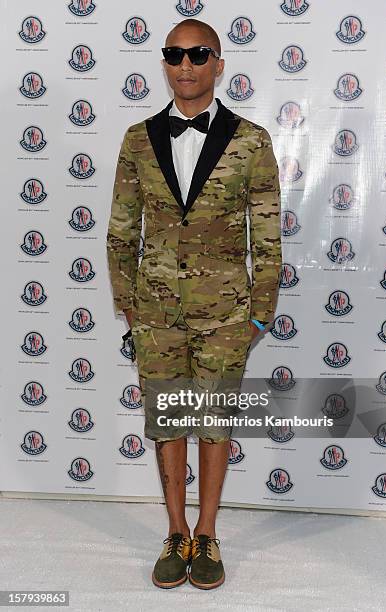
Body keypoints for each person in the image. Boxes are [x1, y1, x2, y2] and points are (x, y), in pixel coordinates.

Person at [106, 18, 281, 590]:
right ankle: (175, 531)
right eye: (175, 55)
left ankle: (207, 534)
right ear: (165, 64)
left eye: (198, 54)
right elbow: (120, 231)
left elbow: (269, 236)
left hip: (227, 314)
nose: (186, 65)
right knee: (169, 423)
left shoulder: (252, 140)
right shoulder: (137, 139)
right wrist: (127, 301)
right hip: (155, 314)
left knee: (213, 424)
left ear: (218, 64)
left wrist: (260, 312)